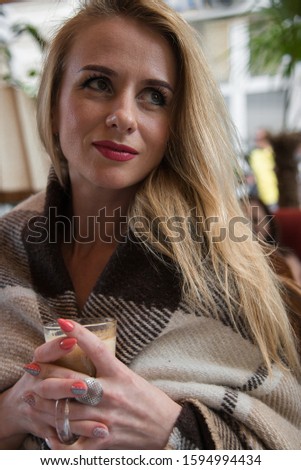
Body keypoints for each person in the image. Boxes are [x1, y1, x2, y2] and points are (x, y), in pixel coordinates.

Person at [0, 0, 300, 451]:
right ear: (54, 98)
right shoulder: (5, 249)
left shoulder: (225, 271)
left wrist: (173, 431)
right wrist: (12, 412)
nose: (124, 116)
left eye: (154, 97)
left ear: (175, 125)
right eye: (98, 83)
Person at [248, 128, 279, 212]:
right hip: (258, 196)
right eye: (255, 139)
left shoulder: (275, 154)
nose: (256, 141)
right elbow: (253, 173)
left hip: (273, 196)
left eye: (259, 139)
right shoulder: (254, 155)